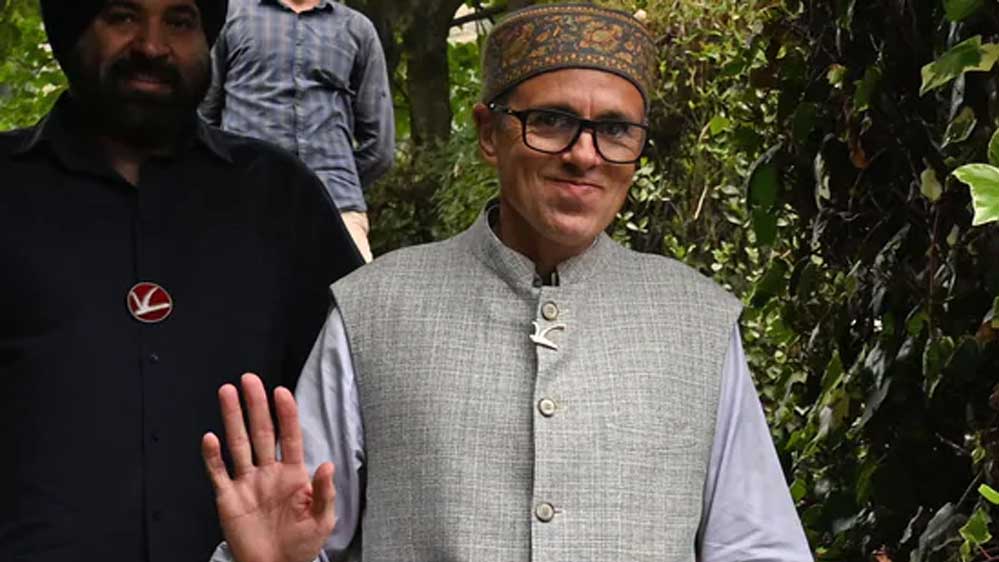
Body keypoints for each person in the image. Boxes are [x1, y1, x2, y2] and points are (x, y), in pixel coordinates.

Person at [202, 4, 814, 562]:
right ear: (488, 134)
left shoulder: (697, 323)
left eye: (616, 129)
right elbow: (298, 538)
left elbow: (758, 548)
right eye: (550, 120)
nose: (584, 154)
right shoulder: (374, 310)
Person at [0, 1, 363, 561]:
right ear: (72, 30)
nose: (152, 45)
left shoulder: (279, 199)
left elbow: (361, 392)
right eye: (123, 16)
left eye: (180, 21)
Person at [198, 0, 395, 262]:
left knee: (358, 290)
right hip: (242, 206)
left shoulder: (358, 29)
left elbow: (380, 149)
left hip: (337, 212)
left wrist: (332, 182)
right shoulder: (230, 18)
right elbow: (202, 120)